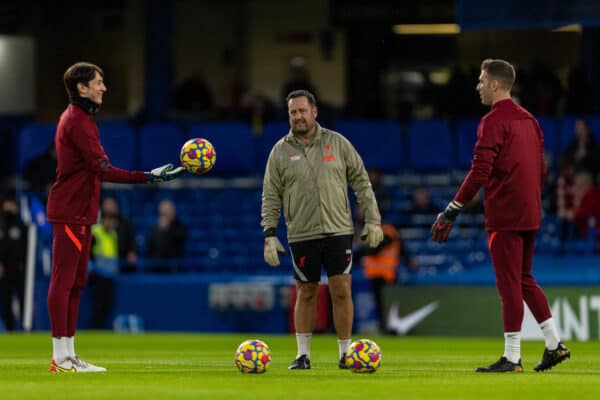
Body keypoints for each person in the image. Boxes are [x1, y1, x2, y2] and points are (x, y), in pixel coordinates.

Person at [431, 59, 570, 373]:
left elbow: (480, 171)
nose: (478, 86)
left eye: (481, 81)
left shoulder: (493, 121)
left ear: (495, 84)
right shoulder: (531, 121)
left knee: (509, 284)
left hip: (505, 213)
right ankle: (554, 345)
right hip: (531, 211)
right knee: (524, 279)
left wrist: (452, 209)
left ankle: (512, 357)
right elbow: (543, 169)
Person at [46, 62, 184, 373]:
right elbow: (103, 170)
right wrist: (148, 177)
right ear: (82, 88)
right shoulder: (78, 121)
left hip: (79, 212)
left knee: (76, 282)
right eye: (99, 82)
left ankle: (68, 354)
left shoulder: (79, 119)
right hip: (70, 211)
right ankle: (60, 357)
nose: (103, 88)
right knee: (63, 281)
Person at [261, 89, 383, 370]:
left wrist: (373, 220)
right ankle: (302, 355)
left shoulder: (338, 143)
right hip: (302, 233)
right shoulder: (280, 151)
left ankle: (345, 354)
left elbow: (362, 182)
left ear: (314, 112)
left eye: (303, 110)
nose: (298, 116)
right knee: (306, 291)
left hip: (338, 229)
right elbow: (270, 195)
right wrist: (269, 233)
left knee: (342, 289)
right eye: (293, 112)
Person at [0, 196, 27, 331]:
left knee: (24, 300)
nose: (10, 207)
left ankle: (26, 327)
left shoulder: (21, 226)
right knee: (6, 302)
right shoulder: (1, 225)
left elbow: (29, 247)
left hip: (20, 270)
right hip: (3, 271)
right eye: (7, 204)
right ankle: (10, 330)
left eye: (12, 204)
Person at [88, 211, 119, 329]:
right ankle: (93, 329)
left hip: (110, 276)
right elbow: (88, 253)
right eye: (108, 219)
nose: (110, 223)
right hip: (98, 276)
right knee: (98, 306)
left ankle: (98, 329)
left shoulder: (113, 234)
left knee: (107, 306)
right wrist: (91, 269)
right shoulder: (96, 233)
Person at [145, 199, 187, 272]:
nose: (166, 213)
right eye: (163, 212)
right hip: (158, 266)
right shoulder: (155, 228)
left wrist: (168, 228)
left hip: (175, 265)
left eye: (167, 211)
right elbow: (150, 247)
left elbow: (181, 239)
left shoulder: (180, 225)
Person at [101, 197, 137, 272]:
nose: (110, 207)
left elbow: (131, 239)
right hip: (102, 262)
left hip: (122, 259)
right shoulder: (98, 225)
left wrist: (132, 251)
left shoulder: (125, 222)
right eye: (108, 204)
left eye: (112, 204)